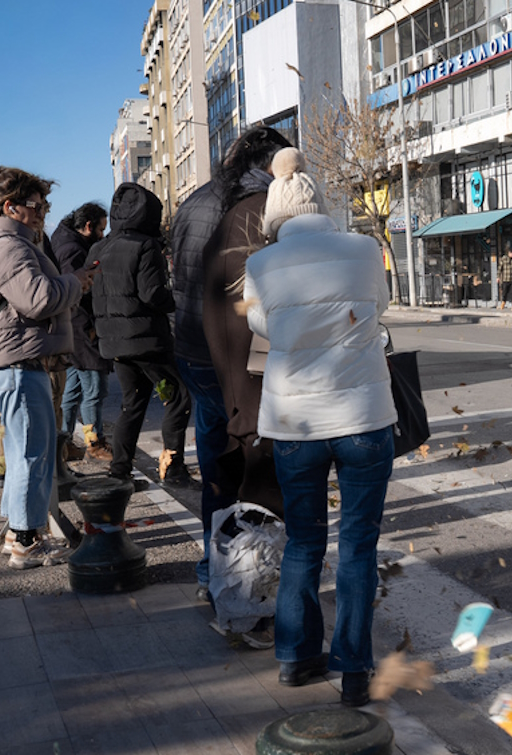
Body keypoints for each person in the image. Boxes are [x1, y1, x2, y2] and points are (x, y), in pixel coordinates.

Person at [243, 148, 396, 707]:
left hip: (293, 421)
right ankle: (354, 668)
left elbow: (261, 323)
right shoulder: (363, 248)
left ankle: (295, 657)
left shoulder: (259, 266)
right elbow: (378, 305)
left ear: (275, 215)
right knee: (359, 544)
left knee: (304, 542)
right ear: (320, 204)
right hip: (363, 420)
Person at [173, 127, 291, 603]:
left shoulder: (194, 201)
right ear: (268, 162)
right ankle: (249, 583)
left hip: (196, 353)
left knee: (216, 465)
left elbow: (181, 281)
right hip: (245, 359)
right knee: (256, 470)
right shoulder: (263, 206)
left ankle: (212, 569)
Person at [0, 166, 94, 569]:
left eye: (44, 205)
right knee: (31, 454)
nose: (42, 212)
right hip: (18, 363)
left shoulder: (15, 243)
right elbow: (38, 300)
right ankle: (26, 542)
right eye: (35, 205)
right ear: (11, 207)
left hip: (19, 360)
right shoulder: (9, 246)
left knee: (26, 451)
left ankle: (17, 533)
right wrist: (75, 281)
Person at [202, 128, 290, 518]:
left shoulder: (229, 212)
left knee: (238, 484)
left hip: (231, 371)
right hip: (262, 381)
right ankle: (264, 576)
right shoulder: (265, 213)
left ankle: (227, 572)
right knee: (268, 500)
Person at [86, 182, 194, 488]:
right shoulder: (146, 246)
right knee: (177, 396)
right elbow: (152, 294)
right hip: (147, 339)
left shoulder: (98, 247)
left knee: (132, 404)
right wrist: (178, 299)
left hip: (113, 341)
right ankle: (173, 468)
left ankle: (120, 471)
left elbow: (87, 292)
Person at [51, 202, 113, 462]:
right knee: (95, 387)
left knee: (73, 388)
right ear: (87, 227)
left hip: (74, 326)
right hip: (81, 326)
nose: (102, 234)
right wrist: (89, 326)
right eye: (100, 229)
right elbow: (76, 290)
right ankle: (93, 441)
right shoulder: (73, 250)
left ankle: (64, 443)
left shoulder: (65, 240)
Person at [498, 244, 512, 311]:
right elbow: (500, 268)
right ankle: (503, 304)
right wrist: (498, 277)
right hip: (505, 279)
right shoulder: (504, 259)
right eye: (510, 253)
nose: (511, 254)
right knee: (504, 292)